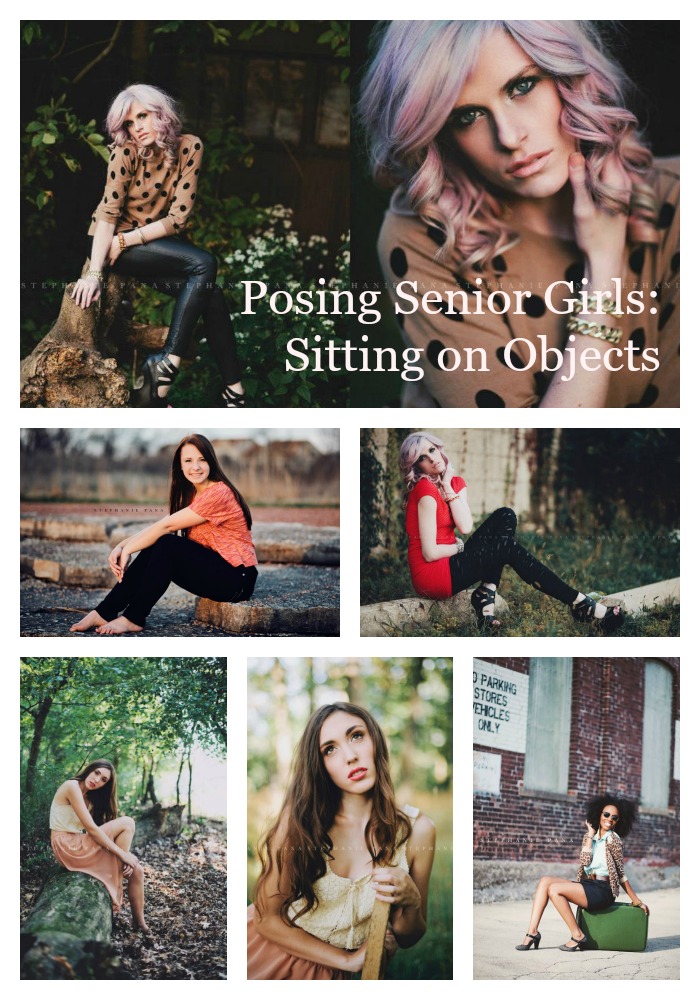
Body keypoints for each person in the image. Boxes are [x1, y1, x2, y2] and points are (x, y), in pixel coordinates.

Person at [360, 21, 679, 408]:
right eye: (467, 116)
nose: (509, 138)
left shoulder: (679, 199)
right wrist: (604, 267)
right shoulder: (425, 237)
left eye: (522, 87)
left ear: (571, 76)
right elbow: (525, 444)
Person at [70, 83, 246, 408]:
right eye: (128, 122)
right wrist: (95, 272)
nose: (136, 127)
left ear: (161, 114)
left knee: (212, 293)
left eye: (142, 116)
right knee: (204, 264)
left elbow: (177, 218)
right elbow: (108, 213)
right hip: (107, 242)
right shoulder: (125, 151)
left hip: (139, 242)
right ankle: (166, 363)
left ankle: (233, 390)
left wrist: (128, 240)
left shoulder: (190, 147)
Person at [248, 702, 436, 979]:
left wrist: (412, 901)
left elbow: (409, 937)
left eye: (356, 736)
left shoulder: (418, 831)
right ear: (319, 764)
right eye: (330, 749)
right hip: (266, 954)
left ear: (375, 740)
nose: (350, 756)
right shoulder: (299, 823)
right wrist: (346, 960)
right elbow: (266, 920)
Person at [399, 432, 624, 632]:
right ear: (416, 466)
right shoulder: (424, 490)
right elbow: (429, 553)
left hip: (450, 560)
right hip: (433, 575)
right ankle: (579, 602)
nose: (431, 458)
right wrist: (459, 547)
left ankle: (486, 593)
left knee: (506, 515)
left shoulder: (454, 482)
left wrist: (448, 486)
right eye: (422, 458)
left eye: (432, 450)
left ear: (439, 448)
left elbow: (466, 526)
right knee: (504, 548)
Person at [70, 434, 257, 635]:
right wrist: (123, 545)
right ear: (181, 466)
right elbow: (160, 525)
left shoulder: (219, 493)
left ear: (211, 461)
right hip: (217, 571)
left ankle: (134, 617)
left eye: (202, 459)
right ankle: (104, 611)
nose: (196, 467)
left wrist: (129, 550)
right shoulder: (193, 494)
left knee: (167, 544)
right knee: (159, 543)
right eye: (188, 461)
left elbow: (167, 527)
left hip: (237, 580)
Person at [516, 795, 650, 952]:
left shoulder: (614, 839)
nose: (609, 819)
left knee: (554, 890)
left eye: (614, 817)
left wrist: (637, 900)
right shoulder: (590, 836)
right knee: (545, 881)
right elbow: (585, 862)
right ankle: (532, 932)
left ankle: (577, 935)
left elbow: (620, 873)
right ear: (599, 814)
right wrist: (590, 835)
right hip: (589, 884)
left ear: (618, 821)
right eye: (606, 814)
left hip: (602, 890)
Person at [49, 758, 149, 934]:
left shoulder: (90, 799)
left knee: (137, 871)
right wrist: (122, 855)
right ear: (90, 769)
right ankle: (117, 886)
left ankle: (140, 924)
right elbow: (92, 830)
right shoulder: (72, 786)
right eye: (97, 773)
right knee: (128, 822)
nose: (97, 780)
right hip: (66, 845)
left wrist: (123, 855)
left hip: (78, 844)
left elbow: (100, 832)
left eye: (103, 780)